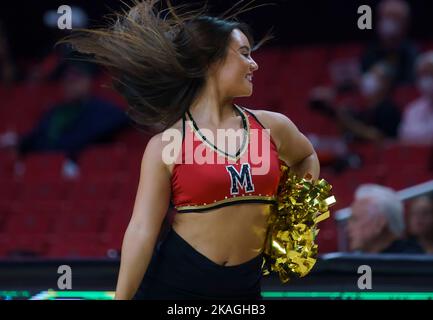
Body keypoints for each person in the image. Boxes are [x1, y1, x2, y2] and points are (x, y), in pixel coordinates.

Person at [65, 0, 320, 300]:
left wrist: (297, 219)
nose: (254, 64)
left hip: (244, 290)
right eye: (244, 54)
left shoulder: (273, 126)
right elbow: (142, 230)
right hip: (176, 286)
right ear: (209, 62)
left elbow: (306, 157)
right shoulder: (166, 145)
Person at [347, 184, 424, 254]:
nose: (348, 229)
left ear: (380, 223)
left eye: (355, 219)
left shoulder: (411, 262)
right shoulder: (362, 264)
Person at [361, 0, 418, 85]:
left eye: (395, 18)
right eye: (386, 17)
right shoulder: (370, 51)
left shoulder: (412, 53)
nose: (389, 22)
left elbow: (410, 83)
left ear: (405, 23)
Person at [399, 51, 433, 144]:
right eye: (422, 75)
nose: (426, 79)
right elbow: (404, 138)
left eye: (430, 74)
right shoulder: (413, 109)